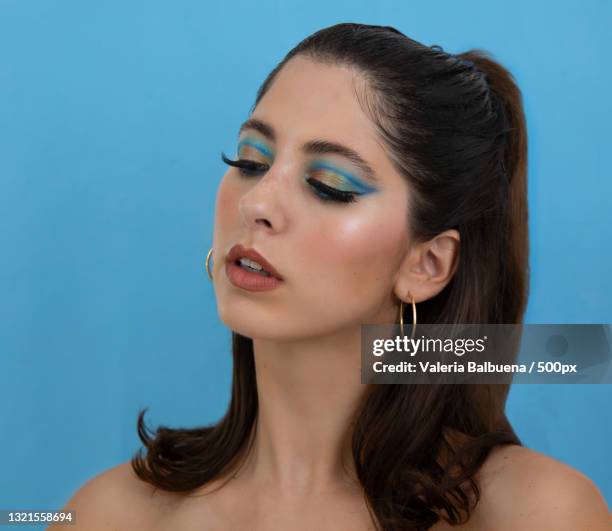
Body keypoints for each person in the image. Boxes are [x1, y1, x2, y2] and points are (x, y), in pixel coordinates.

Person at [52, 23, 611, 530]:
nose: (258, 203)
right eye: (250, 161)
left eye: (329, 185)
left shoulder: (534, 514)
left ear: (427, 265)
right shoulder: (105, 515)